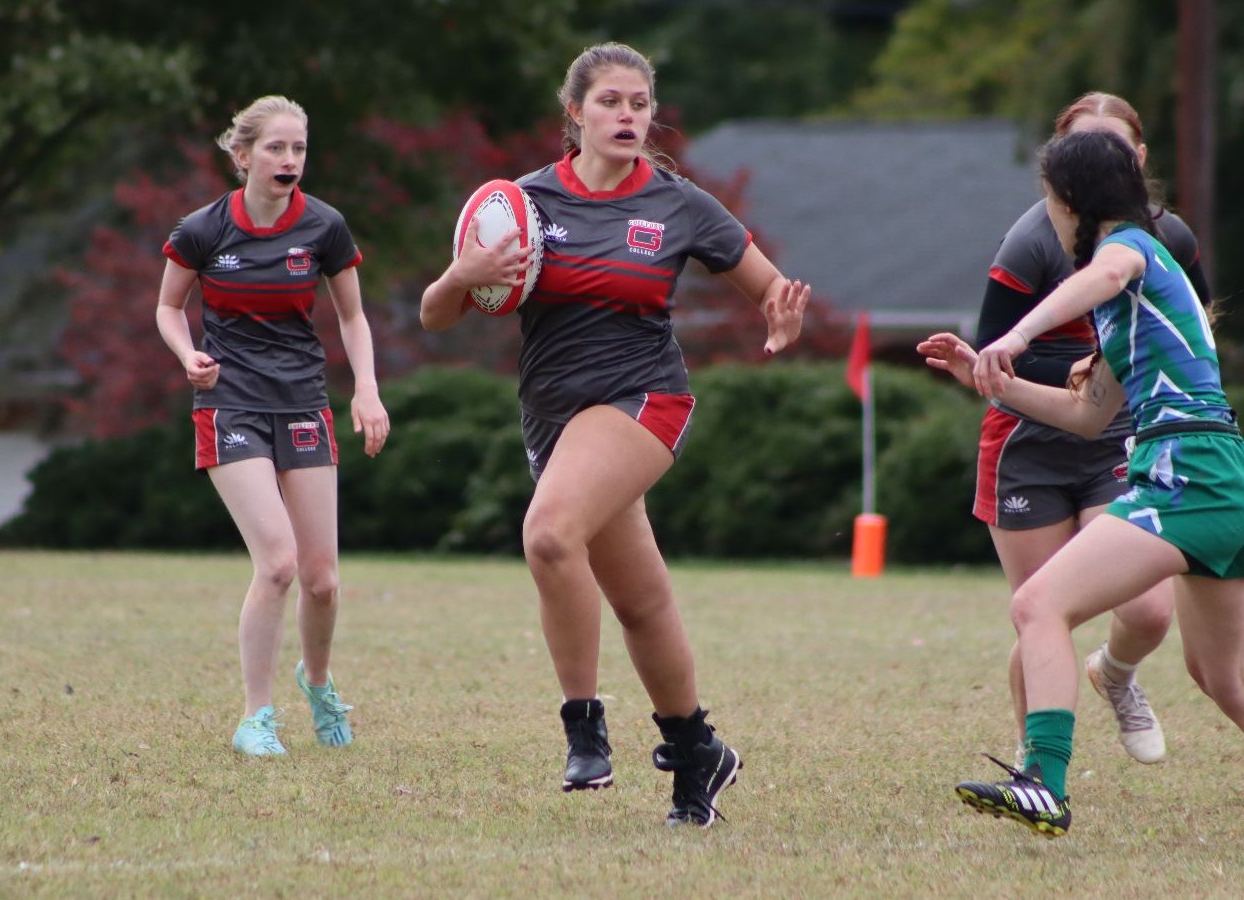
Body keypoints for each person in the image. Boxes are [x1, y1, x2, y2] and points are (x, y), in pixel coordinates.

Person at [919, 129, 1244, 846]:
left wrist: (1019, 334)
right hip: (1229, 473)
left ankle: (1045, 786)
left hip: (1189, 469)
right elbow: (1087, 412)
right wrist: (990, 374)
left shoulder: (1128, 250)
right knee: (1225, 676)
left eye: (1052, 203)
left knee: (1037, 606)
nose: (1051, 218)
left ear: (1072, 203)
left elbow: (1103, 272)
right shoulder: (1128, 297)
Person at [419, 42, 808, 827]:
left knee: (550, 535)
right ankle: (699, 756)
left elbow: (767, 285)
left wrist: (782, 317)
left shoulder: (679, 203)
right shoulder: (520, 204)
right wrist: (462, 276)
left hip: (645, 400)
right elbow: (436, 314)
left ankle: (583, 727)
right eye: (611, 103)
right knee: (640, 601)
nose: (629, 115)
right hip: (553, 417)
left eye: (639, 103)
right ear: (576, 113)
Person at [972, 92, 1212, 766]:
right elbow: (996, 348)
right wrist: (1071, 365)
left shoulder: (1163, 238)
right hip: (1030, 438)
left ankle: (1117, 675)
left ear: (1137, 159)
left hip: (1116, 432)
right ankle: (1033, 762)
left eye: (1114, 147)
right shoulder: (1030, 241)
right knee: (1042, 610)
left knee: (1147, 612)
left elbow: (1193, 323)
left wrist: (1113, 372)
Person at [155, 95, 390, 757]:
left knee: (323, 578)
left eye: (299, 149)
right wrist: (186, 353)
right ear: (243, 157)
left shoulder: (324, 227)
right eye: (276, 148)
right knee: (280, 563)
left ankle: (316, 683)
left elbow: (352, 318)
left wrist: (366, 391)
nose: (290, 161)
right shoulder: (203, 230)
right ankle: (255, 717)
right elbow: (169, 307)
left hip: (304, 404)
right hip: (229, 403)